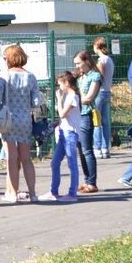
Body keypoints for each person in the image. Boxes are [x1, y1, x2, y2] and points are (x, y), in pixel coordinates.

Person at [0, 43, 40, 202]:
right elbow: (36, 101)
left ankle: (12, 193)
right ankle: (32, 193)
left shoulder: (5, 77)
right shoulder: (31, 76)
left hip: (8, 120)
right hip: (25, 120)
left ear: (9, 59)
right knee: (26, 158)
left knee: (11, 157)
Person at [42, 71, 81, 203]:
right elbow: (65, 118)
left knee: (72, 163)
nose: (59, 87)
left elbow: (63, 113)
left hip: (70, 134)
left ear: (66, 83)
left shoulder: (73, 97)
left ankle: (72, 193)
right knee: (55, 163)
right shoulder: (69, 96)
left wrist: (58, 100)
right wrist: (58, 123)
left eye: (60, 84)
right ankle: (54, 191)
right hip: (64, 132)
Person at [73, 51, 101, 193]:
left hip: (86, 114)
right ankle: (86, 180)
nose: (77, 66)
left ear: (86, 61)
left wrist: (74, 97)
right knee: (81, 151)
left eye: (79, 63)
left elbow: (89, 98)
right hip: (76, 115)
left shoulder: (94, 76)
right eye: (75, 64)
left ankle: (92, 183)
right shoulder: (78, 77)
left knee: (87, 150)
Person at [92, 37, 114, 158]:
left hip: (99, 92)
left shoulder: (101, 60)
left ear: (97, 47)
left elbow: (99, 77)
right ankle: (106, 148)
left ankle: (97, 148)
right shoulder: (109, 59)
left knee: (97, 121)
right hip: (107, 91)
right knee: (106, 121)